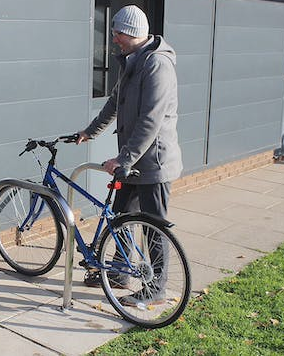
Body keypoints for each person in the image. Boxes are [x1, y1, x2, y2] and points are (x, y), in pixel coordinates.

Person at [76, 5, 183, 306]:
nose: (113, 39)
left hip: (154, 163)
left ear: (130, 34)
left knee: (153, 227)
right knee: (120, 218)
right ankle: (121, 272)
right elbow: (115, 102)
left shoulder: (157, 65)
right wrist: (90, 132)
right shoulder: (132, 61)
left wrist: (124, 159)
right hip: (134, 162)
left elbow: (151, 120)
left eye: (117, 33)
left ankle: (157, 288)